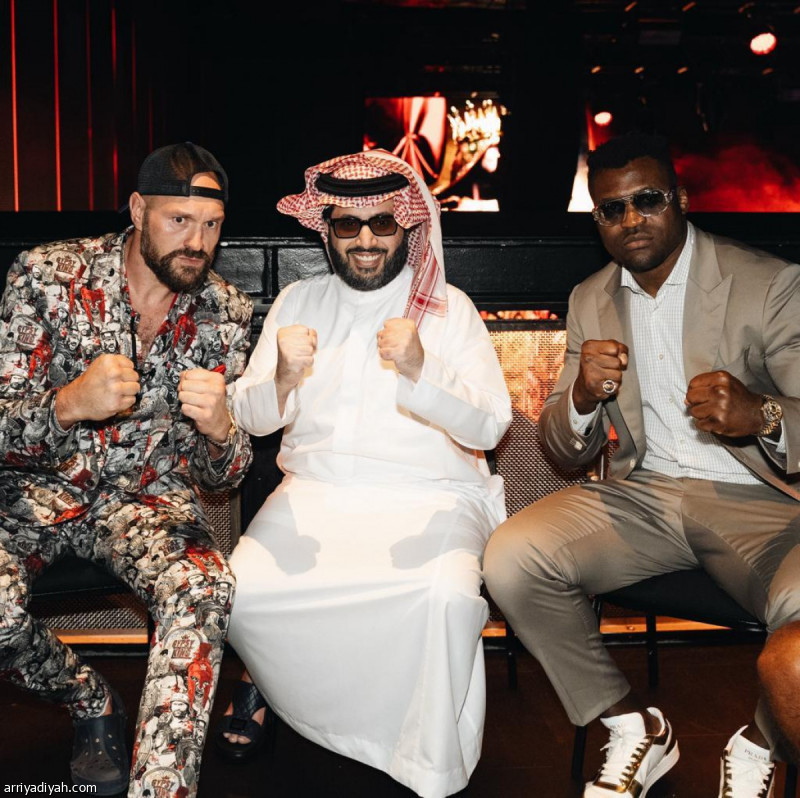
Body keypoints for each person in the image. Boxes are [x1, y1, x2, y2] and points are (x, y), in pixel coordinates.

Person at [483, 131, 800, 798]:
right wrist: (580, 395)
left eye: (647, 200)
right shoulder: (590, 297)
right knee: (511, 557)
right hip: (646, 493)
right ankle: (632, 725)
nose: (631, 220)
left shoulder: (768, 283)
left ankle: (763, 740)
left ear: (680, 199)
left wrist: (763, 414)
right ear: (597, 218)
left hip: (761, 501)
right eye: (612, 209)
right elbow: (563, 451)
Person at [217, 149, 512, 798]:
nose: (367, 240)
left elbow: (490, 427)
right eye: (349, 225)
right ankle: (280, 689)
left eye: (383, 222)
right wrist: (282, 377)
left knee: (443, 595)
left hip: (434, 495)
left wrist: (422, 370)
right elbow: (251, 419)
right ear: (326, 230)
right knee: (239, 590)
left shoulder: (449, 309)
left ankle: (419, 753)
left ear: (407, 225)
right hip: (316, 494)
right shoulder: (297, 301)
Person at [0, 142, 253, 797]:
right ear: (138, 210)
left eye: (212, 225)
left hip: (145, 503)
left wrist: (222, 432)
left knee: (203, 584)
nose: (197, 242)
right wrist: (66, 404)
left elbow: (222, 478)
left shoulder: (226, 312)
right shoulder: (47, 276)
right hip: (32, 492)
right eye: (179, 220)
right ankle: (89, 698)